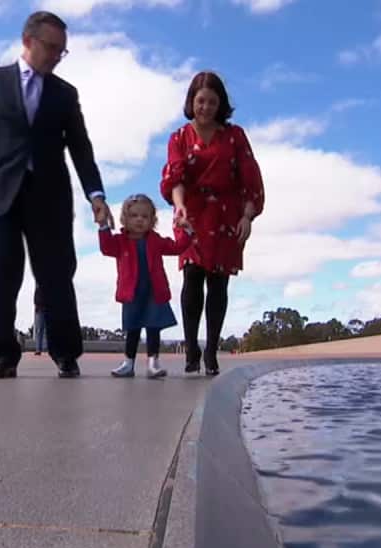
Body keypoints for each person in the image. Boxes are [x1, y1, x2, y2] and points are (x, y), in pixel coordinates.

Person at [0, 10, 113, 379]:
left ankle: (66, 353)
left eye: (63, 51)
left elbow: (81, 148)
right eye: (52, 48)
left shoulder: (65, 94)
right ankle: (3, 356)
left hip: (50, 197)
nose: (57, 56)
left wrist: (96, 195)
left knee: (56, 275)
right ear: (28, 42)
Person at [160, 71, 264, 376]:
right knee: (192, 276)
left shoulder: (235, 136)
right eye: (200, 101)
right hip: (190, 212)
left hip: (226, 216)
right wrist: (179, 207)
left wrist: (247, 215)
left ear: (221, 105)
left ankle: (211, 351)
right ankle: (191, 348)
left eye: (212, 102)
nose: (205, 107)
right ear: (192, 102)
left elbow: (250, 179)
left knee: (218, 282)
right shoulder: (178, 137)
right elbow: (175, 177)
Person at [99, 194, 194, 378]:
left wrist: (187, 232)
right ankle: (128, 363)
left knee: (153, 328)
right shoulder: (120, 241)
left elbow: (176, 248)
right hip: (131, 293)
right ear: (125, 219)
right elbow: (106, 248)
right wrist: (103, 226)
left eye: (145, 216)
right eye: (134, 216)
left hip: (154, 292)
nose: (139, 220)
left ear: (152, 220)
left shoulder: (155, 240)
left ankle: (153, 363)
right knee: (133, 329)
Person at [32, 285, 47, 356]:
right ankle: (38, 349)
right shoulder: (38, 289)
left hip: (48, 310)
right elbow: (35, 300)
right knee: (39, 330)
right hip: (40, 310)